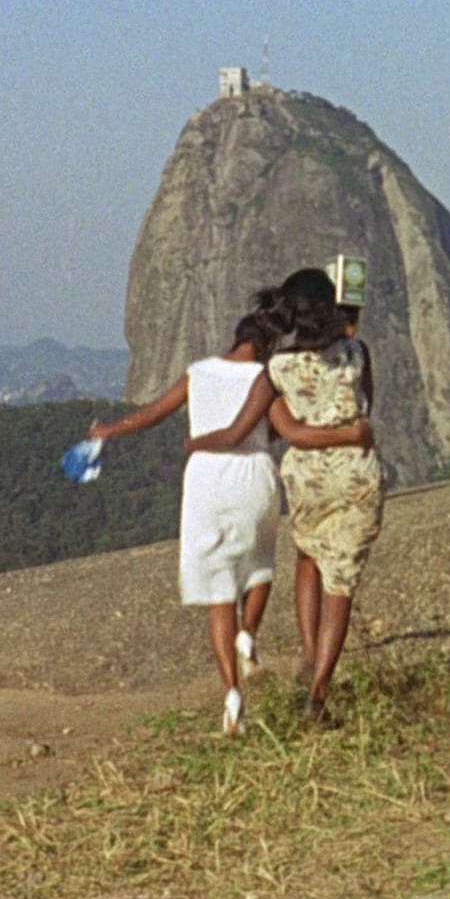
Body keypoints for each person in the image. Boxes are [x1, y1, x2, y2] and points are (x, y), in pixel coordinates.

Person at [88, 314, 365, 737]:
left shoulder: (198, 373)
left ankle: (232, 693)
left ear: (235, 339)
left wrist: (109, 430)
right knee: (260, 566)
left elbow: (153, 414)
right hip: (253, 474)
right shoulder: (266, 377)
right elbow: (281, 428)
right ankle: (248, 633)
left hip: (205, 479)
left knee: (219, 594)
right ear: (267, 345)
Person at [186, 269, 382, 725]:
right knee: (342, 585)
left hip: (307, 479)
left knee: (308, 560)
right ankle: (317, 694)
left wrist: (198, 443)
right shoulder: (356, 353)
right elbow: (365, 406)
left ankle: (309, 654)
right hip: (356, 474)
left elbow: (242, 430)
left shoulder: (277, 368)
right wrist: (349, 431)